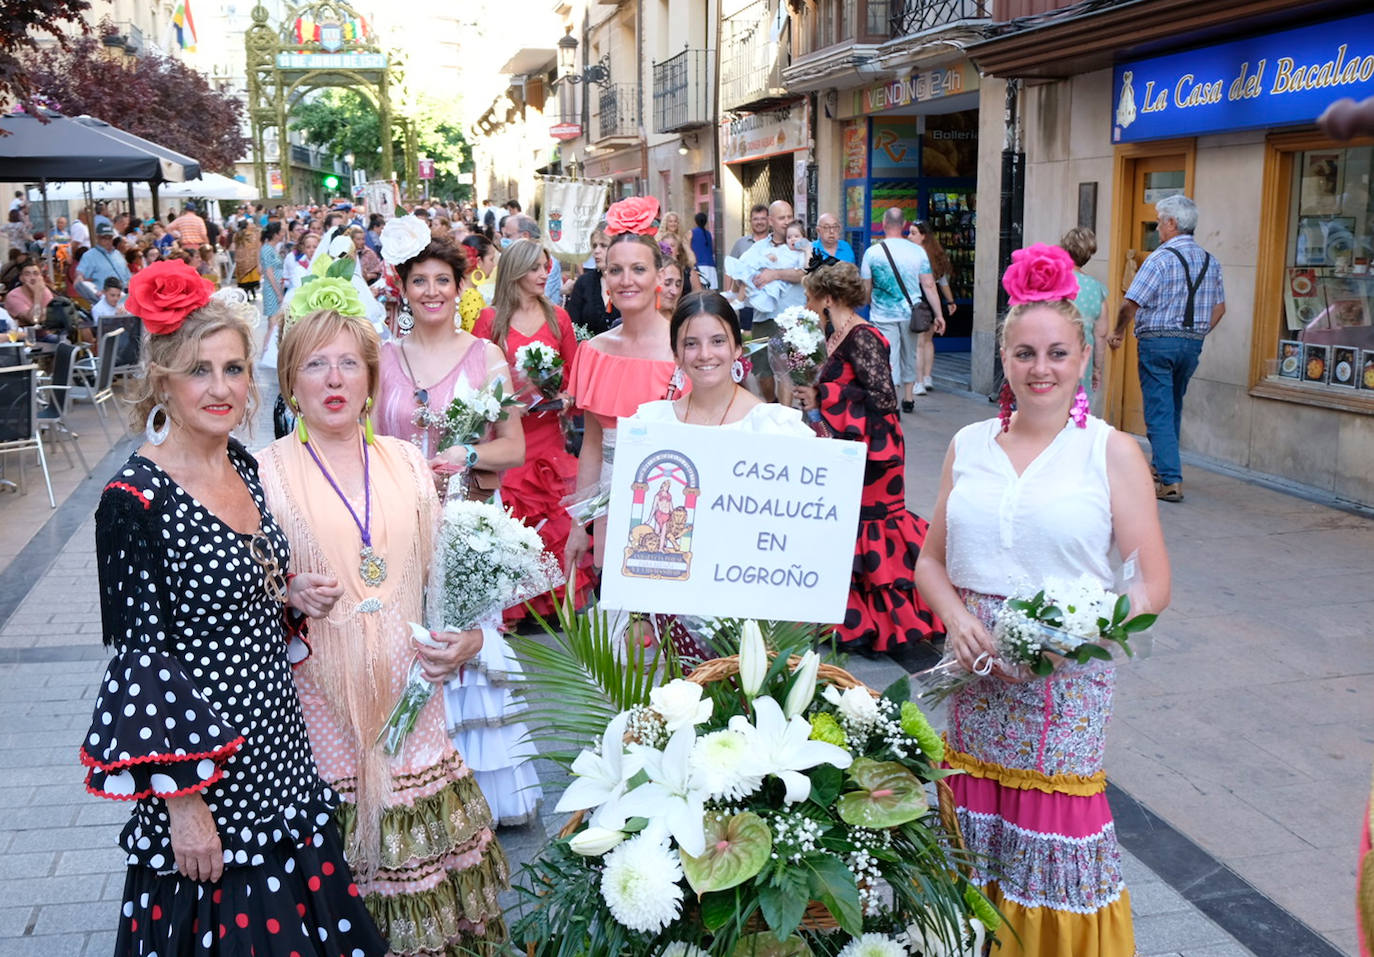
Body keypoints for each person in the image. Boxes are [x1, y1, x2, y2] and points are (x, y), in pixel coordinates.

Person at [80, 263, 387, 957]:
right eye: (200, 370)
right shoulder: (134, 502)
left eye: (235, 368)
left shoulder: (243, 466)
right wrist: (183, 807)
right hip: (208, 775)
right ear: (163, 379)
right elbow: (141, 665)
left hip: (278, 747)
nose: (221, 388)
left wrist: (289, 595)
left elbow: (238, 594)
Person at [913, 243, 1171, 957]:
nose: (1041, 369)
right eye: (1024, 353)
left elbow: (1152, 582)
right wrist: (959, 618)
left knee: (1051, 849)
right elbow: (929, 563)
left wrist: (1077, 640)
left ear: (1085, 356)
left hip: (1064, 689)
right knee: (973, 839)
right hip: (970, 685)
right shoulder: (968, 443)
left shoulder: (1111, 452)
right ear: (1005, 359)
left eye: (1057, 352)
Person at [259, 307, 510, 955]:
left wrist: (467, 640)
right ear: (291, 380)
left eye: (349, 361)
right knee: (344, 891)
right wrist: (283, 591)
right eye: (315, 363)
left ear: (372, 379)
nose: (334, 377)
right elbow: (236, 603)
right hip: (321, 711)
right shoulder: (262, 474)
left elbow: (449, 583)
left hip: (413, 703)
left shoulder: (406, 462)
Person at [794, 261, 943, 657]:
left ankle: (899, 621)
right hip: (856, 448)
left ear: (827, 298)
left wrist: (824, 397)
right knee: (853, 527)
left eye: (810, 295)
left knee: (875, 527)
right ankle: (854, 617)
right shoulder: (836, 334)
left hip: (877, 454)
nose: (806, 302)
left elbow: (883, 399)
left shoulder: (861, 336)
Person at [471, 237, 590, 623]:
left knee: (553, 515)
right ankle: (514, 607)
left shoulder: (559, 317)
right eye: (537, 268)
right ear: (517, 271)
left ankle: (554, 604)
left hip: (549, 433)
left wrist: (566, 393)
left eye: (546, 266)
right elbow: (474, 377)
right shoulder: (491, 320)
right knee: (513, 517)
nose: (545, 274)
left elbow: (574, 370)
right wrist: (503, 404)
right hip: (508, 437)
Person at [564, 207, 685, 574]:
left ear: (660, 277)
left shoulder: (686, 350)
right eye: (615, 270)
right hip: (609, 504)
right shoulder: (594, 352)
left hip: (674, 507)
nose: (626, 280)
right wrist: (577, 526)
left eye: (639, 269)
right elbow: (592, 448)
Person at [1107, 195, 1223, 503]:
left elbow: (1130, 302)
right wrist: (1195, 333)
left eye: (1160, 221)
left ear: (1172, 223)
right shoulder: (1211, 261)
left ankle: (1170, 480)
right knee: (1172, 405)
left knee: (1159, 409)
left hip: (1158, 342)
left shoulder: (1159, 258)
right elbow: (1220, 308)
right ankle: (1160, 466)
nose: (1158, 227)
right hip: (1192, 344)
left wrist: (1118, 331)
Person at [860, 208, 945, 412]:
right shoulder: (917, 252)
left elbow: (866, 288)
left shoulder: (872, 253)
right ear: (904, 224)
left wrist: (866, 301)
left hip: (882, 314)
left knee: (890, 356)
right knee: (911, 354)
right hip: (911, 313)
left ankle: (894, 400)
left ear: (883, 224)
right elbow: (929, 285)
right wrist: (939, 314)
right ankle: (908, 397)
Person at [1060, 226, 1110, 406]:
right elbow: (1101, 334)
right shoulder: (1097, 289)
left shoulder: (1051, 280)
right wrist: (1097, 369)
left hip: (1049, 352)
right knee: (1077, 410)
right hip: (1082, 357)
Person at [909, 219, 957, 395]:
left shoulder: (914, 255)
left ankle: (919, 382)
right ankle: (928, 378)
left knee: (919, 344)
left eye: (913, 233)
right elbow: (943, 282)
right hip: (933, 300)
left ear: (923, 236)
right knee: (928, 341)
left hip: (920, 300)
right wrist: (950, 301)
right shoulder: (937, 255)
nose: (909, 236)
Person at [500, 214, 563, 306]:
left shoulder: (548, 260)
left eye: (508, 236)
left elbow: (544, 296)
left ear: (525, 235)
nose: (504, 240)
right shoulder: (508, 258)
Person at [565, 224, 617, 335]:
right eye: (594, 246)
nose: (596, 251)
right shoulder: (584, 283)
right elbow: (572, 325)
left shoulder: (628, 282)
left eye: (603, 245)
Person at [75, 223, 131, 301]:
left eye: (110, 238)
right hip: (103, 300)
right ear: (97, 237)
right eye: (104, 238)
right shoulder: (89, 256)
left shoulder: (117, 254)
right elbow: (79, 279)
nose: (108, 241)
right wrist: (94, 294)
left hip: (123, 298)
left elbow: (128, 277)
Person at [259, 221, 285, 323]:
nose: (283, 234)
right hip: (272, 290)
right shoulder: (267, 250)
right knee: (273, 322)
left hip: (276, 287)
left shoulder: (272, 248)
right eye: (281, 232)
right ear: (275, 234)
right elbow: (269, 273)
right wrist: (278, 293)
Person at [690, 211, 717, 289]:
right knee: (711, 291)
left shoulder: (692, 232)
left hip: (699, 265)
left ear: (695, 221)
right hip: (711, 265)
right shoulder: (708, 234)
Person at [234, 224, 262, 300]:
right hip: (251, 262)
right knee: (251, 278)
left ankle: (246, 294)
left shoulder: (237, 235)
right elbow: (256, 247)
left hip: (241, 262)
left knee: (244, 281)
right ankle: (253, 292)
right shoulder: (252, 235)